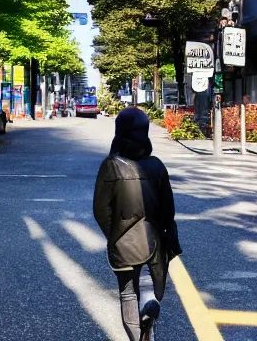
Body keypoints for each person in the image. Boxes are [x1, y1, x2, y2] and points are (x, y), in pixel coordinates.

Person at [93, 107, 181, 341]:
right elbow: (168, 211)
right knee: (146, 281)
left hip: (123, 244)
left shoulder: (111, 165)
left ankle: (138, 335)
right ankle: (149, 304)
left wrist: (114, 235)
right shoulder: (157, 165)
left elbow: (101, 210)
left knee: (127, 293)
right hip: (152, 242)